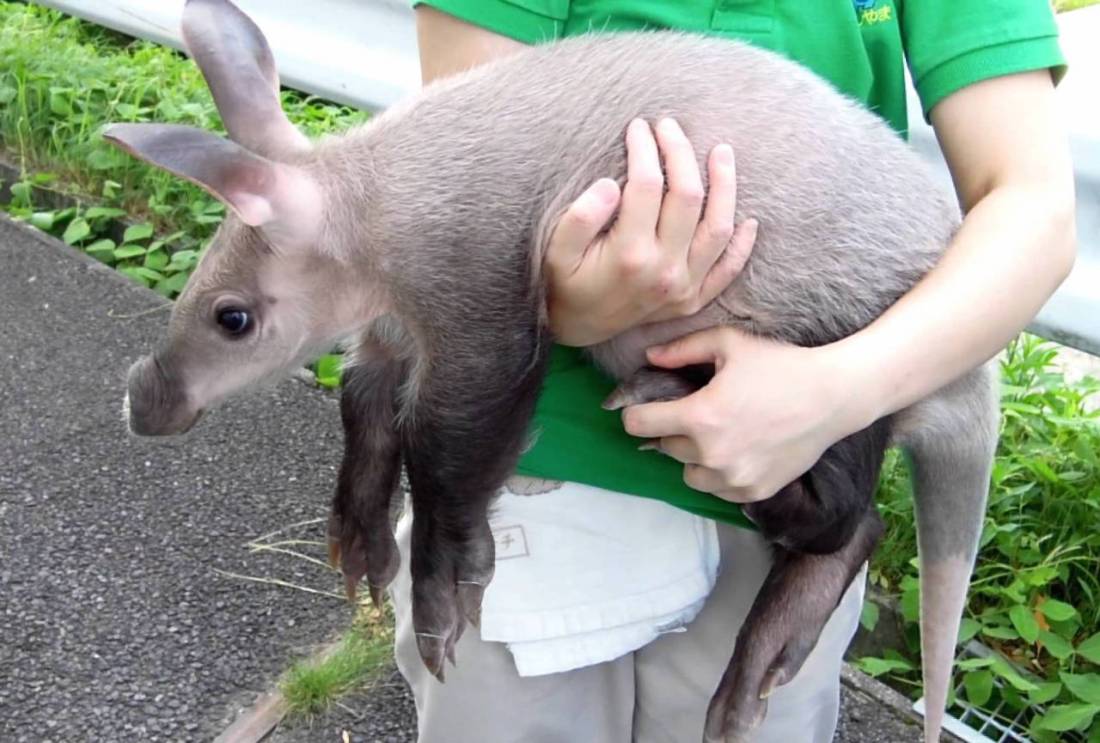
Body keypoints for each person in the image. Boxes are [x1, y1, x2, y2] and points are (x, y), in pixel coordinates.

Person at [388, 2, 1077, 741]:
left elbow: (1032, 203)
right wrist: (566, 305)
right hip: (535, 480)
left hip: (803, 464)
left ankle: (830, 541)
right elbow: (472, 185)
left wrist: (838, 391)